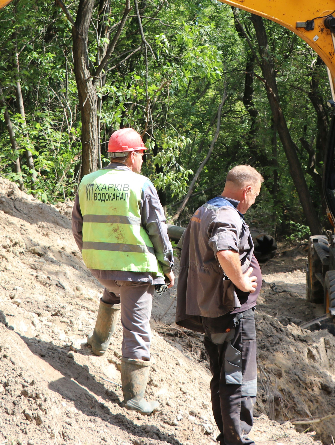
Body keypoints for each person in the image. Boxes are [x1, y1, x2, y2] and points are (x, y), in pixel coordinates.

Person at [71, 128, 174, 415]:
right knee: (137, 329)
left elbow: (77, 226)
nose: (142, 160)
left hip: (99, 266)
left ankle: (98, 343)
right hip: (134, 271)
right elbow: (158, 231)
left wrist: (92, 254)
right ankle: (134, 396)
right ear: (131, 156)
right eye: (141, 154)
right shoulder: (141, 185)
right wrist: (167, 267)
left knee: (112, 292)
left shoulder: (88, 182)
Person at [176, 165, 263, 445]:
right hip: (230, 312)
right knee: (238, 378)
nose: (253, 202)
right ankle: (238, 440)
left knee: (223, 377)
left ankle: (228, 436)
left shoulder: (204, 210)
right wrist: (241, 282)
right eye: (255, 196)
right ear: (247, 190)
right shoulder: (226, 214)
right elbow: (225, 251)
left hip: (210, 309)